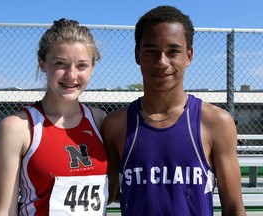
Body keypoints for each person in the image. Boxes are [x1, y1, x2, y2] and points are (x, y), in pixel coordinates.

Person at [102, 5, 246, 216]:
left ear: (188, 56)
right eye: (151, 51)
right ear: (137, 55)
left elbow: (234, 208)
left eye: (173, 51)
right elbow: (107, 194)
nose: (161, 62)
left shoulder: (216, 122)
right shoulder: (116, 124)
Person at [0, 18, 109, 216]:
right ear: (42, 63)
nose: (71, 76)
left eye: (81, 66)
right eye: (60, 64)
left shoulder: (100, 120)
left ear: (92, 68)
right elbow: (4, 211)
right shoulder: (19, 127)